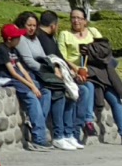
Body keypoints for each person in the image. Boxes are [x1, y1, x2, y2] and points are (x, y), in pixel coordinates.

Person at [60, 7, 122, 143]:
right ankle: (88, 122)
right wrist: (77, 69)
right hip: (81, 73)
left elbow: (104, 49)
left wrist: (90, 50)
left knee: (115, 99)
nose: (76, 21)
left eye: (79, 18)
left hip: (100, 72)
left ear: (85, 20)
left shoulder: (93, 32)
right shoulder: (65, 34)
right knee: (87, 87)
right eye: (73, 18)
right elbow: (62, 57)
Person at [0, 23, 50, 147]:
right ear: (9, 39)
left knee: (45, 92)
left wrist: (33, 84)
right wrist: (31, 87)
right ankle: (39, 138)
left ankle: (36, 123)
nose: (20, 39)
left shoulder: (14, 50)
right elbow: (13, 72)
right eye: (17, 37)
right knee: (31, 97)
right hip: (8, 79)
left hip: (19, 78)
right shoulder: (1, 49)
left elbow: (22, 70)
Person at [37, 9, 90, 144]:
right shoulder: (41, 38)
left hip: (62, 74)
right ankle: (60, 134)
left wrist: (73, 71)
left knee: (83, 90)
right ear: (54, 25)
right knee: (65, 93)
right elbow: (50, 60)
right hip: (49, 77)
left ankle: (72, 132)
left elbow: (60, 57)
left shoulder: (50, 38)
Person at [12, 13, 59, 145]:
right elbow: (29, 61)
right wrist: (46, 69)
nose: (32, 28)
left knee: (48, 92)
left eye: (34, 25)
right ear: (22, 25)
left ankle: (37, 126)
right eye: (29, 25)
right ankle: (39, 132)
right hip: (30, 73)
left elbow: (43, 56)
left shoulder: (35, 38)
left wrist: (52, 67)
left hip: (40, 73)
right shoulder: (21, 39)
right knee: (41, 93)